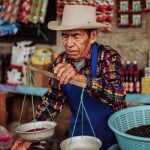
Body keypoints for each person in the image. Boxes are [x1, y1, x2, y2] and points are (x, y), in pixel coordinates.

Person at [11, 5, 127, 150]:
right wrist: (29, 136)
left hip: (113, 137)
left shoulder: (108, 57)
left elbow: (117, 96)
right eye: (65, 35)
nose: (69, 43)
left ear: (93, 36)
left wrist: (83, 79)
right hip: (79, 138)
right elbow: (51, 103)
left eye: (76, 36)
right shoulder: (61, 62)